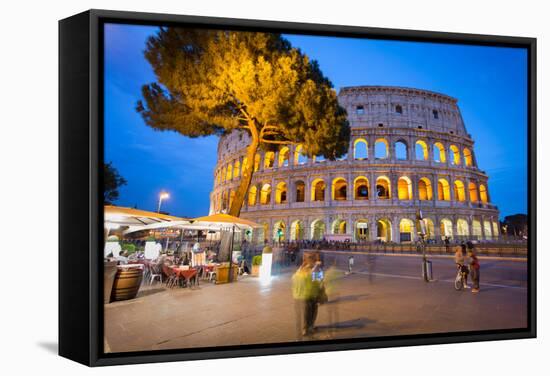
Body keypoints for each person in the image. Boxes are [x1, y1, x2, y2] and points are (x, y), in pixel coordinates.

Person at [291, 261, 315, 338]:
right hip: (305, 297)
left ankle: (300, 330)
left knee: (299, 316)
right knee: (307, 314)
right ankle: (306, 329)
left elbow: (298, 271)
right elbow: (317, 277)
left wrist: (301, 267)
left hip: (296, 298)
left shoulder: (295, 276)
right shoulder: (307, 276)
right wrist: (317, 267)